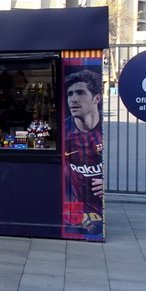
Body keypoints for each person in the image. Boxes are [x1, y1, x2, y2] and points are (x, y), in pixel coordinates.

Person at [63, 68, 103, 236]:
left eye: (80, 93)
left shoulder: (104, 131)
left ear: (96, 98)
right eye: (70, 94)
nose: (73, 100)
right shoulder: (64, 132)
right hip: (79, 214)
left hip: (103, 210)